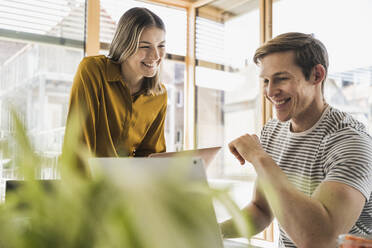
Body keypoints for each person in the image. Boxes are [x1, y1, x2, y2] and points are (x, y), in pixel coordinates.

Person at [220, 32, 372, 248]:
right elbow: (261, 210)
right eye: (265, 80)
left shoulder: (351, 143)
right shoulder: (272, 131)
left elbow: (319, 241)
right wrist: (212, 232)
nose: (270, 91)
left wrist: (258, 156)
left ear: (317, 75)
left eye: (281, 78)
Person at [63, 7, 167, 164]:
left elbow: (149, 156)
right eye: (145, 46)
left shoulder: (159, 95)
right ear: (125, 45)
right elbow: (78, 145)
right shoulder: (93, 71)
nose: (156, 56)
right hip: (89, 184)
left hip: (129, 184)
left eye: (161, 46)